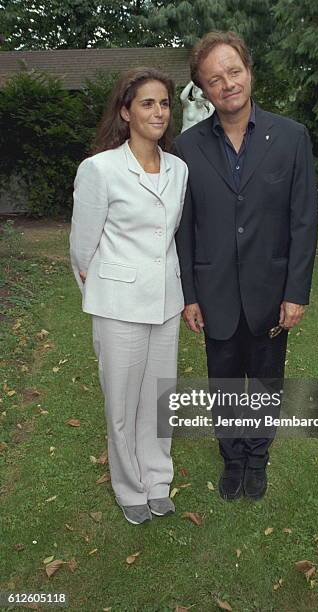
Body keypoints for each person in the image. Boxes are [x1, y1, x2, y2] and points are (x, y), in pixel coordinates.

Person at [173, 32, 318, 501]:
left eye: (233, 71)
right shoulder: (188, 148)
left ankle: (258, 456)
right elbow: (185, 227)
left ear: (249, 72)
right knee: (224, 384)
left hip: (272, 293)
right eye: (214, 79)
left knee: (265, 383)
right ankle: (232, 458)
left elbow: (304, 221)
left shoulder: (291, 137)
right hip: (214, 294)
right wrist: (189, 295)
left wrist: (296, 292)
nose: (227, 84)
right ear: (203, 89)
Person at [69, 68, 188, 525]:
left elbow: (170, 233)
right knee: (121, 402)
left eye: (164, 104)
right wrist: (100, 293)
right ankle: (128, 487)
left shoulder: (179, 169)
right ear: (125, 111)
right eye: (147, 103)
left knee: (161, 398)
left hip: (166, 302)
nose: (158, 112)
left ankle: (157, 479)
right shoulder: (99, 169)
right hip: (118, 304)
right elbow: (83, 247)